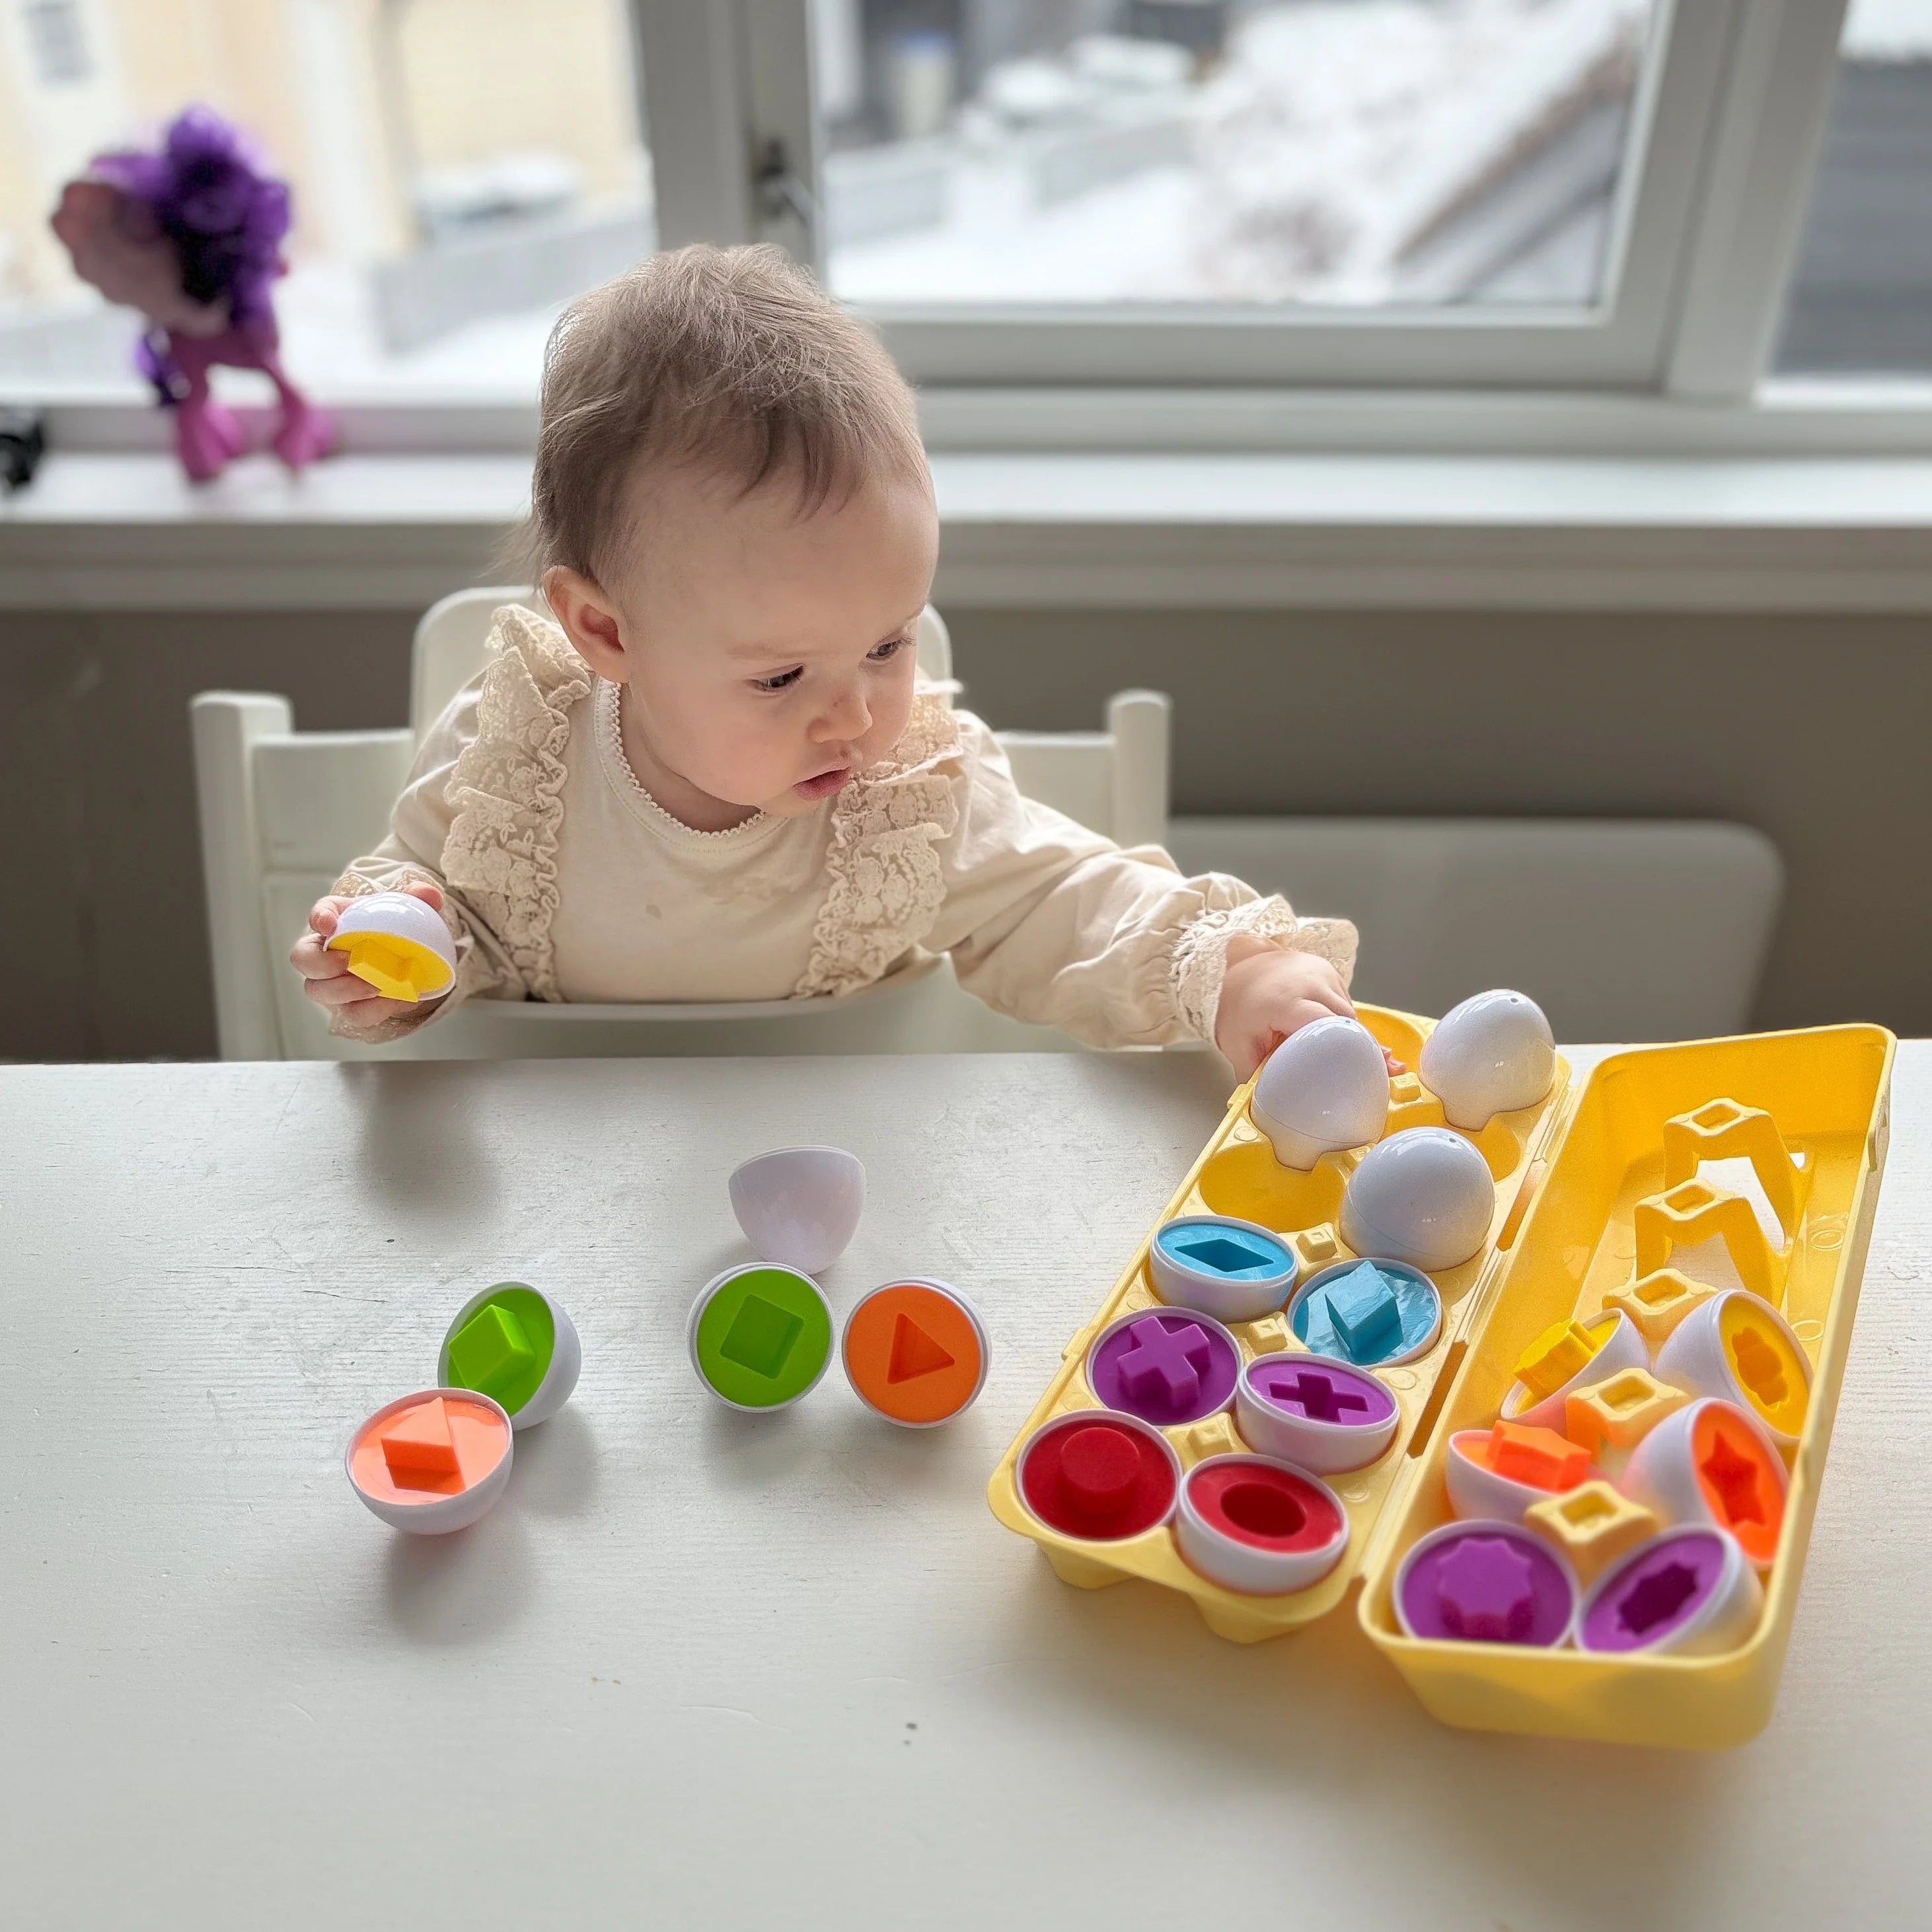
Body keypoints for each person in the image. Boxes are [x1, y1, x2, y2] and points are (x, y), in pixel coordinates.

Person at [290, 244, 1365, 1078]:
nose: (851, 717)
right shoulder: (519, 755)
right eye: (779, 678)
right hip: (558, 1195)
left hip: (845, 1199)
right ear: (608, 635)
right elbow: (440, 897)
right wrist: (403, 950)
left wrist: (1234, 971)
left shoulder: (906, 800)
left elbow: (1064, 903)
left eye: (887, 644)